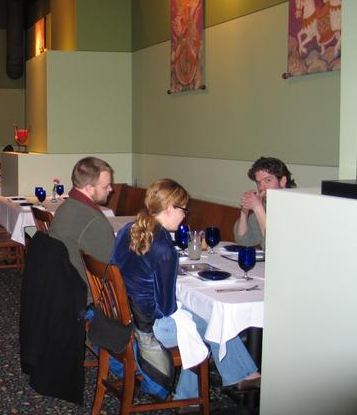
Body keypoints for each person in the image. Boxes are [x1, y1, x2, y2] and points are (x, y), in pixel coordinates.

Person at [111, 178, 260, 400]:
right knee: (212, 323)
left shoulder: (128, 230)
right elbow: (166, 308)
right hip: (150, 328)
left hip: (122, 316)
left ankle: (190, 396)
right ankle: (240, 376)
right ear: (169, 208)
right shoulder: (164, 248)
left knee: (199, 318)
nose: (185, 215)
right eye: (183, 209)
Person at [48, 157, 115, 291]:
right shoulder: (95, 221)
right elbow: (112, 269)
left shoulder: (65, 207)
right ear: (89, 188)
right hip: (88, 293)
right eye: (106, 186)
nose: (111, 189)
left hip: (61, 285)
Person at [234, 157, 296, 249]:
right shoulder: (265, 204)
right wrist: (244, 212)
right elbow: (244, 241)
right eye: (258, 182)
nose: (261, 187)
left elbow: (277, 248)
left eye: (268, 180)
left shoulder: (295, 207)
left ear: (283, 181)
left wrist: (258, 208)